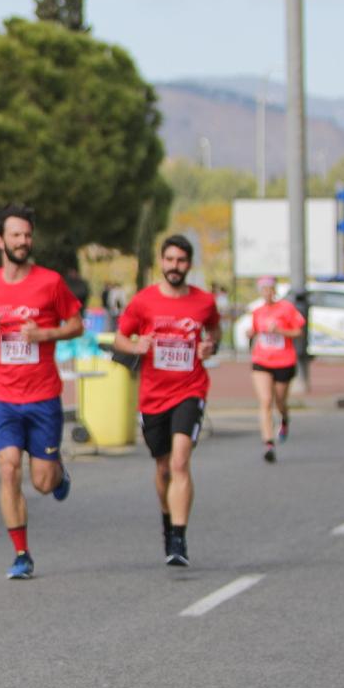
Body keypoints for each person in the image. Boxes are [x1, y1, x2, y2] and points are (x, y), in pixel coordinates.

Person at [0, 203, 84, 581]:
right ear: (0, 240)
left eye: (27, 235)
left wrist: (45, 334)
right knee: (8, 468)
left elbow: (77, 324)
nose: (23, 241)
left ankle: (58, 472)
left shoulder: (50, 283)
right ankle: (21, 553)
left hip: (44, 396)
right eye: (16, 235)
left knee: (43, 483)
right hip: (4, 396)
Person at [114, 235, 220, 566]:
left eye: (182, 261)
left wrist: (209, 346)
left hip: (190, 389)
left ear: (190, 264)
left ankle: (179, 537)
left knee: (179, 462)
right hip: (153, 395)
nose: (175, 267)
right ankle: (167, 518)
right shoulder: (144, 302)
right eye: (170, 260)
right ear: (162, 262)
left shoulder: (204, 302)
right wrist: (136, 347)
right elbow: (120, 338)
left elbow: (214, 331)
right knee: (162, 468)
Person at [248, 280, 305, 462]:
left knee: (280, 401)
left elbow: (298, 332)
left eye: (269, 289)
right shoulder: (257, 312)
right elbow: (255, 331)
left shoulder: (286, 309)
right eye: (263, 289)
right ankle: (269, 443)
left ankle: (285, 419)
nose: (267, 292)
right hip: (261, 360)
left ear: (274, 290)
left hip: (284, 361)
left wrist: (281, 331)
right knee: (265, 401)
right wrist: (250, 333)